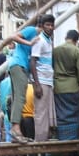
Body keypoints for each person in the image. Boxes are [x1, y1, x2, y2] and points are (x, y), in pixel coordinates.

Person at [31, 14, 57, 148]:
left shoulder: (49, 41)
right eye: (47, 25)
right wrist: (37, 84)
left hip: (48, 80)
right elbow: (33, 61)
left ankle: (44, 140)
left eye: (52, 25)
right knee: (41, 112)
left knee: (47, 112)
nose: (50, 27)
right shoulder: (39, 40)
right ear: (42, 26)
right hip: (41, 80)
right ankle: (39, 142)